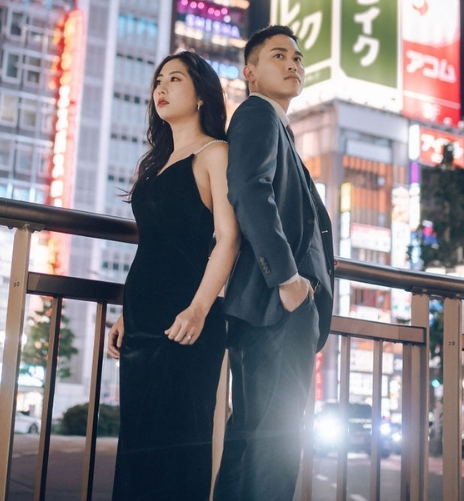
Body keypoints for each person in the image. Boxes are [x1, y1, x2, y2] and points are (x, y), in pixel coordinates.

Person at [106, 51, 240, 501]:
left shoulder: (213, 153)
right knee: (137, 448)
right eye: (158, 80)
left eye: (175, 79)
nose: (161, 88)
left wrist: (200, 308)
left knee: (178, 447)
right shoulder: (154, 163)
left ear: (201, 94)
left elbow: (228, 239)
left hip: (188, 321)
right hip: (142, 322)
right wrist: (126, 314)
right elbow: (153, 247)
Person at [213, 25, 335, 501]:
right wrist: (288, 279)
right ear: (250, 72)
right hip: (276, 302)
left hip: (268, 306)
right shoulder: (257, 114)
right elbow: (248, 191)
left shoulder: (274, 125)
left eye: (298, 58)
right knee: (278, 442)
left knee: (253, 435)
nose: (294, 64)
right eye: (279, 55)